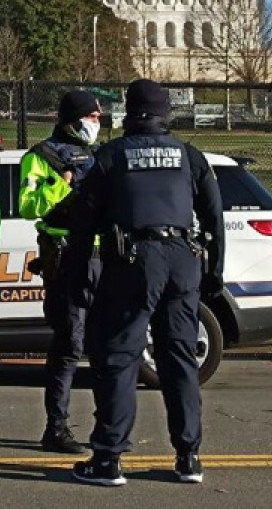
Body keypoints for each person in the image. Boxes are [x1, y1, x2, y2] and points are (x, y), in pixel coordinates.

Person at [62, 79, 224, 487]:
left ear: (128, 113)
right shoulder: (190, 156)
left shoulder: (111, 156)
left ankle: (108, 458)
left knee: (119, 357)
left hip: (133, 261)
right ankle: (189, 457)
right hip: (182, 261)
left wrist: (79, 274)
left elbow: (83, 224)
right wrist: (214, 273)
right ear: (166, 113)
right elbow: (214, 219)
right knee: (180, 360)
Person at [18, 90, 104, 454]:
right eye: (92, 117)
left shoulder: (102, 156)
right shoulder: (41, 157)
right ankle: (57, 427)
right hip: (65, 257)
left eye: (100, 118)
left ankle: (108, 428)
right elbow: (27, 205)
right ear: (73, 119)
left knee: (106, 346)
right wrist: (61, 183)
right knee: (69, 344)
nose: (97, 123)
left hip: (103, 256)